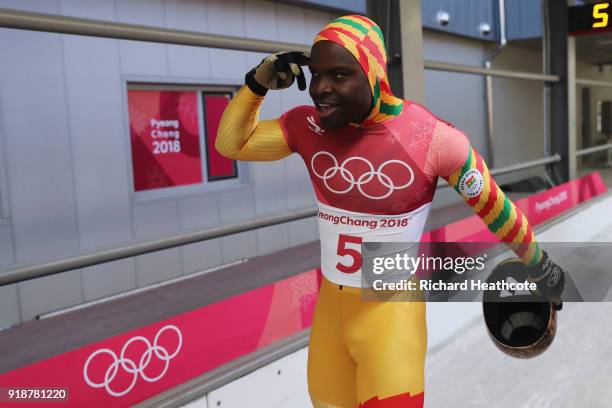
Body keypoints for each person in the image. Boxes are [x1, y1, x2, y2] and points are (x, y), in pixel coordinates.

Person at [215, 15, 565, 408]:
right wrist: (255, 85)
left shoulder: (434, 139)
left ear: (375, 75)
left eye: (339, 74)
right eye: (316, 74)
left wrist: (541, 268)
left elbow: (497, 210)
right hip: (331, 312)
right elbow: (231, 145)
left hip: (390, 316)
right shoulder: (308, 126)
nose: (320, 89)